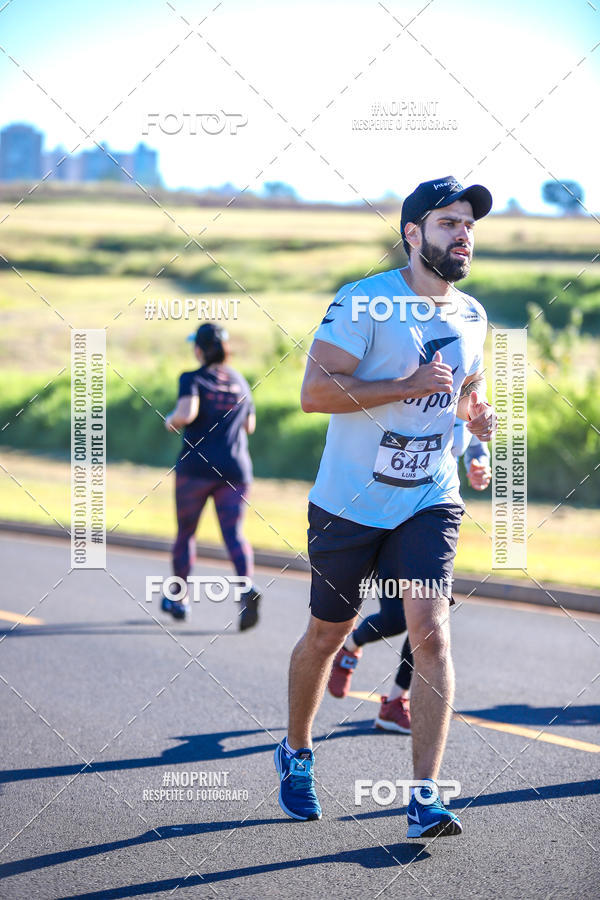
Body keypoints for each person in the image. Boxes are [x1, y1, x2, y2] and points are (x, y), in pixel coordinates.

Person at [274, 176, 496, 838]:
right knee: (327, 633)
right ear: (412, 233)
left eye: (469, 225)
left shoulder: (472, 315)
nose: (463, 234)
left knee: (430, 632)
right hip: (348, 501)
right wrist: (404, 385)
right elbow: (315, 393)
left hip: (428, 498)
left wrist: (476, 417)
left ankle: (424, 795)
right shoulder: (365, 302)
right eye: (449, 222)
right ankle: (296, 750)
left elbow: (463, 391)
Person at [327, 425, 492, 736]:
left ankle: (394, 702)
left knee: (427, 622)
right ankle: (350, 645)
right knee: (394, 619)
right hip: (386, 515)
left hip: (431, 518)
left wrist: (478, 462)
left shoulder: (466, 383)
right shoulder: (402, 380)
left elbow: (475, 436)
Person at [162, 323, 261, 629]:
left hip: (197, 470)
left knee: (186, 533)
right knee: (234, 534)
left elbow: (186, 413)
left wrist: (170, 421)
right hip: (235, 469)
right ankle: (246, 589)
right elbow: (250, 426)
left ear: (199, 350)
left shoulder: (192, 378)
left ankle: (179, 598)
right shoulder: (239, 381)